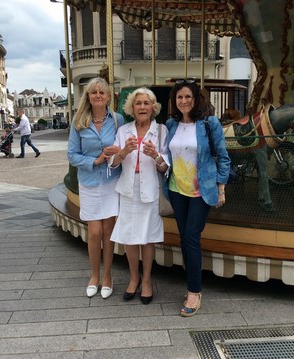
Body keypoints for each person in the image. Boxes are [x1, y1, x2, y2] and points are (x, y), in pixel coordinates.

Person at [164, 80, 230, 317]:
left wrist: (221, 188)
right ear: (175, 101)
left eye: (188, 97)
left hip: (201, 190)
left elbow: (223, 157)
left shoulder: (209, 123)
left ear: (196, 99)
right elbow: (166, 155)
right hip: (176, 188)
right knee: (185, 237)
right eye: (180, 97)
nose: (184, 101)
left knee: (191, 235)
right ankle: (192, 282)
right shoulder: (171, 124)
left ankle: (194, 291)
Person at [108, 88, 169, 305]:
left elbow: (165, 168)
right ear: (131, 108)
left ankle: (147, 281)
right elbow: (113, 164)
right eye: (138, 103)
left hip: (150, 189)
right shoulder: (123, 131)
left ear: (153, 107)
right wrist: (123, 151)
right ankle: (134, 278)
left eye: (146, 103)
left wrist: (156, 155)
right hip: (127, 189)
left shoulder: (161, 131)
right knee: (130, 238)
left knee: (148, 237)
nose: (142, 107)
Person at [67, 77, 124, 299]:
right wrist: (96, 160)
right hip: (90, 180)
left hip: (111, 181)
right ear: (88, 96)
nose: (98, 95)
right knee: (94, 232)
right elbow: (72, 155)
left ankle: (108, 276)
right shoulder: (79, 121)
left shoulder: (118, 120)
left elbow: (123, 149)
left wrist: (117, 152)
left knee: (108, 233)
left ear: (109, 97)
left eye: (102, 92)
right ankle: (94, 275)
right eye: (93, 92)